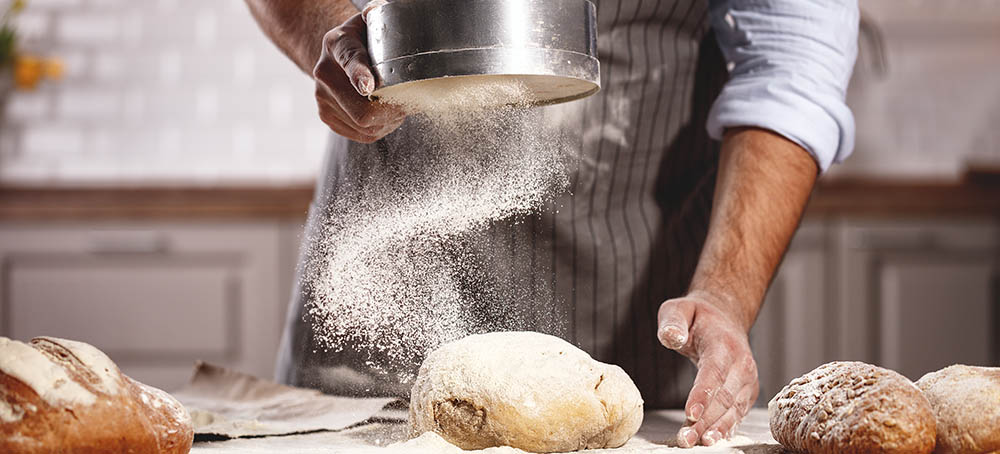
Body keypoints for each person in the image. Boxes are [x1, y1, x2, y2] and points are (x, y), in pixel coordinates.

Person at [246, 0, 858, 448]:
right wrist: (327, 31)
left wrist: (723, 293)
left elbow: (789, 69)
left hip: (626, 283)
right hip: (384, 281)